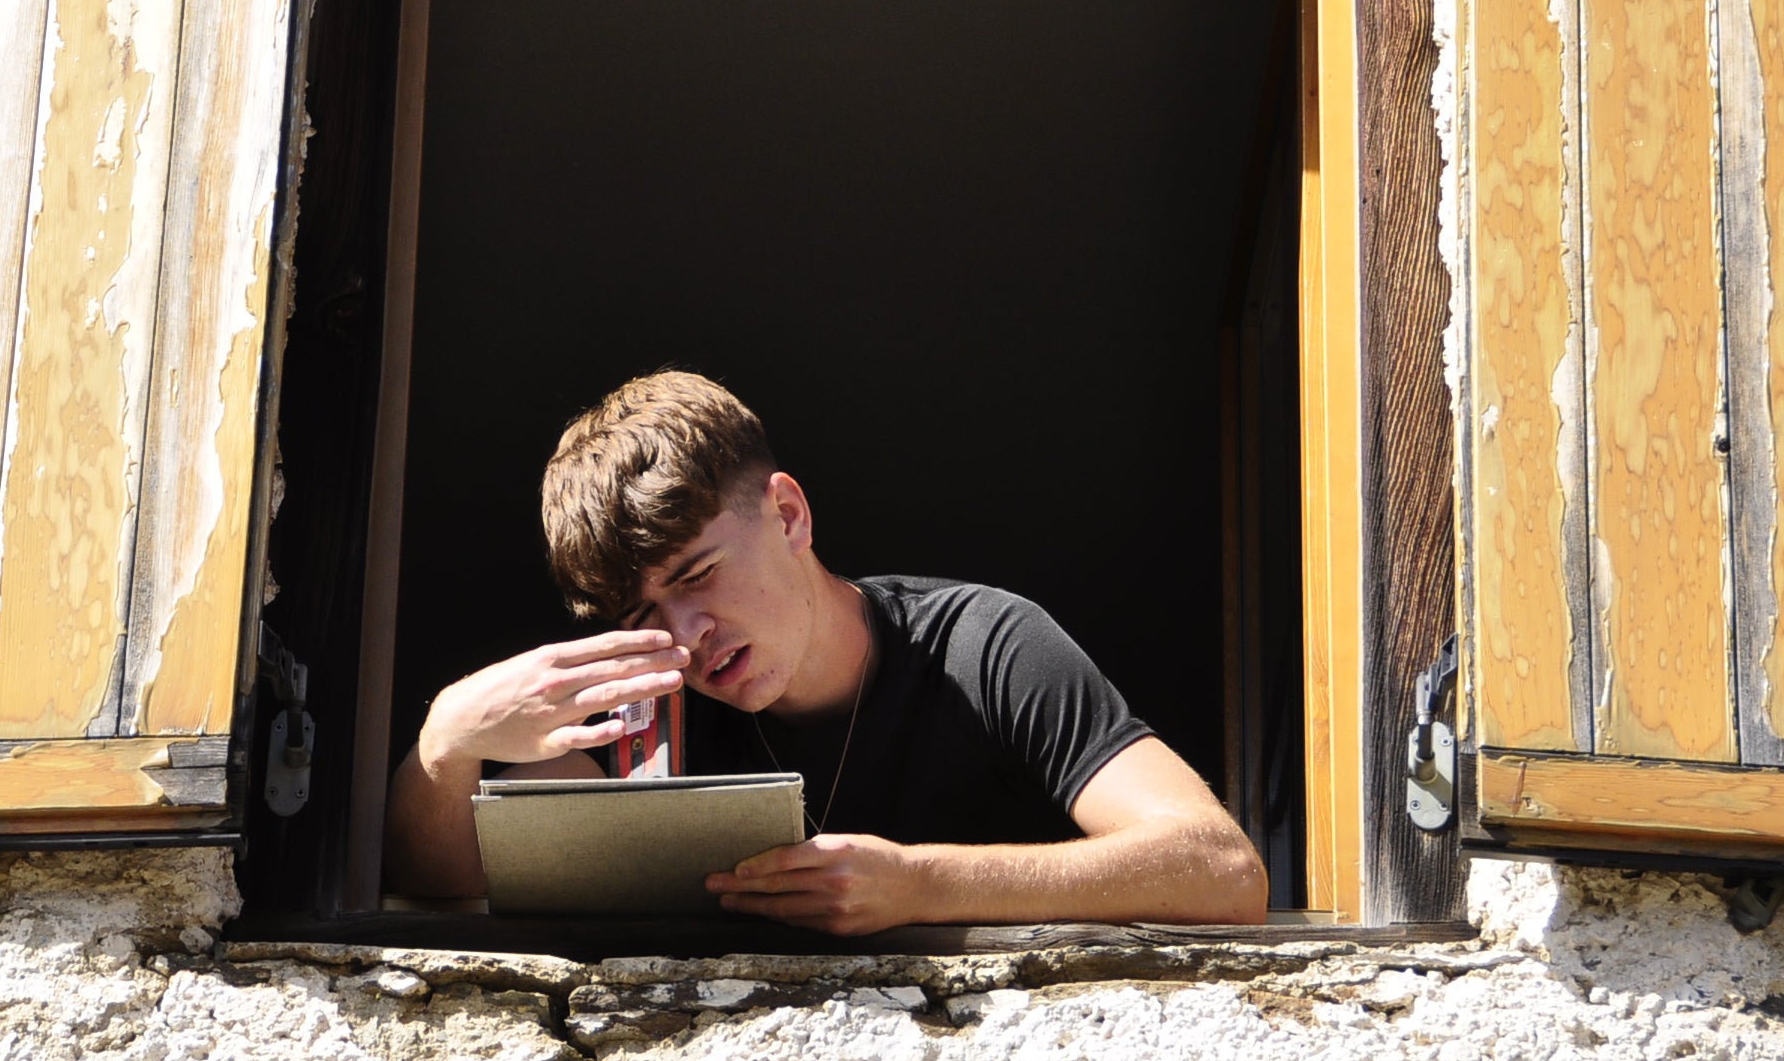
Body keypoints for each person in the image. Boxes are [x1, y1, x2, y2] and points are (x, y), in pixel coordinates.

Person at [385, 370, 1268, 934]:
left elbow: (1221, 871)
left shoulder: (984, 645)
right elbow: (442, 886)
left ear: (789, 514)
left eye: (698, 575)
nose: (684, 635)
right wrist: (446, 742)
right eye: (643, 610)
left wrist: (921, 886)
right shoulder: (645, 695)